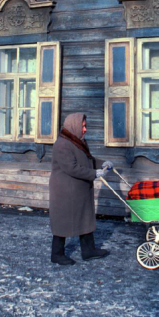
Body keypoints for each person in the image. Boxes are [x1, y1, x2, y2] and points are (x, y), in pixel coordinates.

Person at [49, 112, 114, 266]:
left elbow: (88, 160)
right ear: (74, 125)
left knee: (85, 218)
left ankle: (88, 250)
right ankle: (57, 254)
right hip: (64, 191)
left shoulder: (78, 141)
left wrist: (103, 163)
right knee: (62, 222)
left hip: (79, 189)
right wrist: (94, 173)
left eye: (85, 126)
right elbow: (71, 168)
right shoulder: (62, 144)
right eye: (83, 126)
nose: (85, 129)